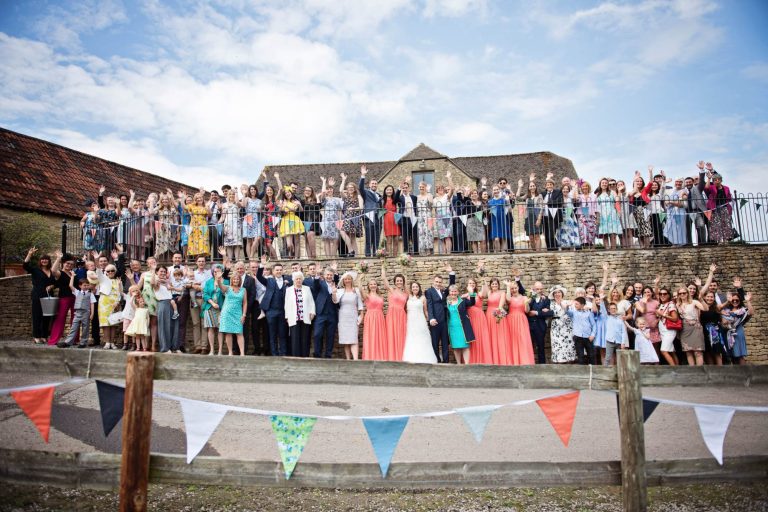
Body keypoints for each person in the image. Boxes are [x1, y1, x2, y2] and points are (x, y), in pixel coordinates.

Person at [306, 263, 340, 358]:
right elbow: (315, 285)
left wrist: (335, 270)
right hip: (320, 313)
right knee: (317, 334)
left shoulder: (336, 284)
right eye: (327, 275)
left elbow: (337, 279)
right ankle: (317, 354)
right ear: (324, 276)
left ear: (332, 276)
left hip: (332, 314)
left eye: (330, 275)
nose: (329, 276)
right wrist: (317, 274)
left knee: (330, 336)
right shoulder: (320, 283)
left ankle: (328, 354)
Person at [257, 256, 289, 356]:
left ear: (282, 271)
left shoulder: (288, 280)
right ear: (273, 271)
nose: (279, 271)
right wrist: (262, 265)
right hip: (271, 311)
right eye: (277, 270)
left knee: (283, 334)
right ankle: (274, 354)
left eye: (280, 270)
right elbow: (259, 277)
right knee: (272, 334)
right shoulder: (269, 281)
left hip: (283, 312)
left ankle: (283, 353)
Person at [425, 264, 456, 363]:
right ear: (433, 282)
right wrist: (431, 318)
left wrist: (451, 273)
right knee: (435, 343)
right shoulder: (429, 291)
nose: (438, 283)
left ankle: (446, 361)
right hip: (435, 321)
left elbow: (451, 286)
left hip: (444, 321)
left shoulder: (443, 292)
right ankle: (437, 361)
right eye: (436, 282)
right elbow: (429, 305)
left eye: (440, 282)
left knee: (445, 342)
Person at [23, 247, 55, 344]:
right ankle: (36, 336)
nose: (44, 261)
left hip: (49, 296)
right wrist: (29, 254)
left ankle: (44, 336)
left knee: (47, 317)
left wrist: (52, 285)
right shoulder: (35, 270)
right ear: (40, 261)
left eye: (46, 259)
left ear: (49, 261)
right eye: (42, 259)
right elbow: (25, 266)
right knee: (37, 316)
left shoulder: (51, 271)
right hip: (37, 294)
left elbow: (55, 282)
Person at [56, 273, 95, 349]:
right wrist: (73, 276)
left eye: (87, 285)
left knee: (85, 328)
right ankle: (68, 342)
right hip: (77, 313)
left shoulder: (90, 294)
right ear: (80, 286)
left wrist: (92, 313)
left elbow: (92, 303)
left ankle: (83, 342)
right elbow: (70, 285)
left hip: (86, 312)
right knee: (74, 327)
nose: (86, 286)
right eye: (84, 285)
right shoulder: (77, 292)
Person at [402, 282, 437, 364]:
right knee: (411, 339)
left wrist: (431, 319)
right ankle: (411, 358)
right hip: (410, 322)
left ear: (419, 287)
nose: (415, 288)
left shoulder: (423, 298)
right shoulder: (408, 296)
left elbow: (425, 311)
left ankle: (424, 359)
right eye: (413, 287)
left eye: (416, 286)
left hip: (420, 322)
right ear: (411, 288)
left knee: (421, 339)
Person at [504, 278, 536, 365]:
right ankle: (513, 361)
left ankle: (524, 361)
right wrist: (508, 286)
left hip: (522, 320)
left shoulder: (524, 297)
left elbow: (527, 311)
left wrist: (526, 303)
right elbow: (508, 300)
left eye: (515, 288)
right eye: (512, 288)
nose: (514, 290)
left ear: (518, 288)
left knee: (522, 340)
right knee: (512, 340)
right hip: (511, 320)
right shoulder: (509, 297)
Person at [47, 252, 76, 345]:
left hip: (75, 298)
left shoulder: (73, 273)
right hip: (64, 298)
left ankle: (74, 340)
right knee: (60, 318)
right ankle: (54, 340)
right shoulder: (60, 273)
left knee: (75, 319)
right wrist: (58, 258)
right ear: (63, 263)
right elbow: (53, 270)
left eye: (71, 264)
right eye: (67, 263)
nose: (69, 265)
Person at [284, 271, 316, 357]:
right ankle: (296, 357)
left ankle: (305, 356)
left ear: (302, 280)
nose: (298, 280)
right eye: (296, 279)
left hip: (305, 317)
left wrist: (312, 312)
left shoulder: (307, 289)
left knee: (305, 338)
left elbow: (311, 302)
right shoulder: (289, 290)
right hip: (293, 317)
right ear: (293, 280)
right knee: (295, 338)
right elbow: (286, 304)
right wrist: (287, 317)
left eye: (300, 279)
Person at [217, 271, 248, 356]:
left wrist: (244, 315)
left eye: (237, 279)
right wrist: (219, 279)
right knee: (228, 332)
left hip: (238, 313)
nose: (236, 280)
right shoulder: (227, 288)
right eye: (234, 279)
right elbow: (220, 286)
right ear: (231, 280)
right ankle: (230, 352)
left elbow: (245, 303)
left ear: (240, 280)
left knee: (239, 332)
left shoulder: (243, 290)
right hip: (227, 313)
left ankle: (242, 353)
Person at [335, 271, 364, 360]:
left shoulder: (356, 291)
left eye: (349, 279)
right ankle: (348, 360)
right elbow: (335, 301)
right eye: (346, 279)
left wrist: (361, 315)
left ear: (352, 280)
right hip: (343, 317)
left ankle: (355, 360)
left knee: (354, 339)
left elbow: (360, 304)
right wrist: (333, 293)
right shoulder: (340, 291)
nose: (347, 281)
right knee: (346, 340)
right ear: (343, 281)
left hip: (353, 316)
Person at [381, 266, 408, 361]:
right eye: (397, 281)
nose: (399, 282)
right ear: (395, 282)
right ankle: (392, 357)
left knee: (402, 336)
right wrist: (383, 264)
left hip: (402, 316)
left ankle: (402, 357)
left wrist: (405, 270)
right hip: (392, 315)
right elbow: (384, 279)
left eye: (401, 281)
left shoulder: (406, 293)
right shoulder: (391, 290)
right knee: (391, 335)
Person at [445, 283, 476, 364]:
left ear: (458, 292)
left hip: (462, 327)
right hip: (452, 328)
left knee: (465, 347)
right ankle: (458, 364)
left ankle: (466, 365)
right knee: (456, 347)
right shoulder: (447, 302)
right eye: (451, 291)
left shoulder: (463, 301)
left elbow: (472, 303)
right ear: (449, 292)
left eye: (455, 291)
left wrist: (471, 293)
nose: (453, 293)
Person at [464, 274, 492, 364]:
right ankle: (471, 360)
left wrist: (484, 282)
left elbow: (485, 293)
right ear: (467, 285)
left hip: (479, 318)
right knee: (471, 338)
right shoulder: (464, 295)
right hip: (469, 318)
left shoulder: (478, 294)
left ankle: (482, 360)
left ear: (475, 285)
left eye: (473, 283)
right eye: (470, 283)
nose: (471, 284)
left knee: (479, 337)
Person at [676, 285, 706, 366]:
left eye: (684, 293)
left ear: (687, 293)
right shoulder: (677, 305)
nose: (682, 294)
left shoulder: (694, 302)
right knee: (688, 351)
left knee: (698, 351)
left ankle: (700, 371)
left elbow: (705, 309)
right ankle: (692, 371)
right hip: (684, 329)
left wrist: (701, 299)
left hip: (695, 328)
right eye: (680, 293)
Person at [152, 266, 179, 353]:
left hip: (171, 303)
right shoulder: (156, 283)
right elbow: (152, 283)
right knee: (164, 326)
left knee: (173, 326)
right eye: (161, 271)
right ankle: (165, 348)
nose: (163, 273)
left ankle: (173, 347)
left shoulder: (167, 282)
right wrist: (153, 270)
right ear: (157, 272)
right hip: (163, 304)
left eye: (164, 271)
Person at [721, 293, 753, 365]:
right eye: (733, 300)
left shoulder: (742, 310)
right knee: (732, 355)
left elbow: (751, 312)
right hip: (728, 333)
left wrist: (748, 301)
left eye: (737, 300)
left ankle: (744, 373)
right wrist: (726, 323)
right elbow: (723, 322)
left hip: (738, 333)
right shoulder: (726, 310)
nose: (735, 301)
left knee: (740, 354)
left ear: (740, 300)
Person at [703, 168, 733, 243]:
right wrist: (709, 178)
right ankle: (719, 240)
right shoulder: (712, 187)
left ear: (721, 180)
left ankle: (726, 240)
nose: (717, 181)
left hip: (724, 207)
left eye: (718, 179)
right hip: (714, 208)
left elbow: (729, 197)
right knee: (716, 225)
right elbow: (706, 187)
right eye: (715, 180)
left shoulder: (726, 188)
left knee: (726, 223)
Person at [97, 263, 123, 350]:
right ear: (106, 272)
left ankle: (112, 342)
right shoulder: (103, 279)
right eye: (108, 271)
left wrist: (118, 302)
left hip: (115, 304)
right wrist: (97, 259)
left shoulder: (118, 280)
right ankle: (107, 342)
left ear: (115, 272)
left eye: (112, 270)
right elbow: (98, 272)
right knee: (105, 324)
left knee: (114, 323)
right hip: (104, 303)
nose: (110, 272)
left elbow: (121, 293)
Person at [318, 176, 345, 258]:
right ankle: (328, 258)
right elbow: (322, 193)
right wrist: (324, 182)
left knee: (335, 240)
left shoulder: (337, 199)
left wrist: (341, 221)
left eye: (331, 189)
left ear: (333, 190)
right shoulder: (325, 199)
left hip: (335, 221)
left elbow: (340, 210)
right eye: (328, 189)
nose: (329, 190)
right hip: (326, 221)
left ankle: (333, 257)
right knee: (327, 240)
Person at [526, 281, 553, 364]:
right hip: (529, 325)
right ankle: (528, 363)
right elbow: (526, 309)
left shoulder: (546, 299)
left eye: (541, 289)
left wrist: (536, 312)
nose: (539, 290)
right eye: (537, 289)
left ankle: (542, 366)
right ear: (534, 289)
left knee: (541, 347)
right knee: (528, 346)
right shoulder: (530, 298)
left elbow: (550, 313)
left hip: (540, 326)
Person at [361, 277, 387, 361]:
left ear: (377, 286)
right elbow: (361, 289)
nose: (373, 285)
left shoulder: (381, 296)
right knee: (371, 336)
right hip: (370, 318)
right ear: (368, 286)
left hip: (380, 317)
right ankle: (370, 356)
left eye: (374, 284)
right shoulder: (367, 296)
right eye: (371, 284)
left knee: (380, 337)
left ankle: (380, 357)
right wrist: (359, 279)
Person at [359, 165, 382, 257]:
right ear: (369, 185)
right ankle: (368, 255)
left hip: (378, 217)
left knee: (377, 237)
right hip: (368, 217)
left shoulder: (379, 195)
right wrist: (363, 175)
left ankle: (376, 254)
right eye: (372, 183)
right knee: (369, 237)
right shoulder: (366, 192)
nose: (374, 185)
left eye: (375, 184)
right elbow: (360, 187)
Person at [598, 293, 628, 366]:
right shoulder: (607, 318)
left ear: (616, 309)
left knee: (620, 358)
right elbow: (602, 309)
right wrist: (601, 300)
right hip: (610, 341)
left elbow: (623, 332)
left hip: (619, 341)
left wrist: (623, 342)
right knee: (608, 357)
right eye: (611, 309)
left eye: (614, 308)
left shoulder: (620, 319)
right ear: (609, 310)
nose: (613, 310)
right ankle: (605, 372)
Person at [548, 285, 575, 364]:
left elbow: (572, 314)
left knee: (568, 343)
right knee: (557, 344)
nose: (557, 294)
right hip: (556, 326)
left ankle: (569, 361)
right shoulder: (551, 304)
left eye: (559, 292)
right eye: (555, 293)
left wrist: (566, 306)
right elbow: (553, 313)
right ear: (553, 295)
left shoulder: (567, 302)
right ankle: (559, 362)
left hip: (567, 326)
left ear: (562, 293)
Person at [566, 296, 597, 365]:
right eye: (575, 304)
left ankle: (592, 371)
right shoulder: (574, 313)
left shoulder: (589, 313)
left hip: (588, 337)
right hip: (578, 337)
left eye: (577, 304)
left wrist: (593, 335)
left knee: (591, 355)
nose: (575, 305)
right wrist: (567, 306)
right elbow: (567, 312)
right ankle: (582, 372)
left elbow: (594, 325)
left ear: (582, 305)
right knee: (580, 356)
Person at [655, 286, 680, 366]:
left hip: (669, 330)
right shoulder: (661, 304)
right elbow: (656, 293)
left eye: (665, 294)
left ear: (669, 295)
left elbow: (675, 318)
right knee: (671, 351)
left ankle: (674, 369)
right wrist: (656, 284)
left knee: (663, 351)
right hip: (663, 330)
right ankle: (678, 367)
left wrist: (663, 315)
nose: (662, 295)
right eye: (661, 294)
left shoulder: (671, 304)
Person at [685, 162, 708, 245]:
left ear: (693, 182)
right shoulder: (683, 191)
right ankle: (689, 244)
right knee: (687, 229)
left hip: (697, 211)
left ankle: (702, 244)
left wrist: (702, 170)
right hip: (687, 212)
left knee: (701, 227)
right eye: (686, 182)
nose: (688, 183)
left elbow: (702, 183)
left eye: (689, 182)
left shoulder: (697, 188)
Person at [595, 178, 622, 250]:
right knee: (604, 234)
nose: (604, 184)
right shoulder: (597, 195)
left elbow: (617, 200)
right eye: (602, 183)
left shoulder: (612, 192)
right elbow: (596, 206)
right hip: (602, 215)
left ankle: (614, 249)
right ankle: (607, 250)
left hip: (612, 214)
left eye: (605, 183)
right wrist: (597, 217)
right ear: (600, 185)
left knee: (612, 233)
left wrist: (618, 193)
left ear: (608, 184)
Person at [278, 188, 305, 259]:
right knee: (289, 244)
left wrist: (286, 206)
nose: (287, 194)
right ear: (284, 195)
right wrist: (281, 208)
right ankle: (291, 252)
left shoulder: (295, 201)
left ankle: (296, 258)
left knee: (297, 242)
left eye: (288, 192)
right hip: (286, 220)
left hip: (294, 220)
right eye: (286, 193)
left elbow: (295, 210)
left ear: (291, 193)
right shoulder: (282, 201)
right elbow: (280, 212)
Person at [395, 177, 419, 255]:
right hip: (404, 219)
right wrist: (399, 188)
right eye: (403, 188)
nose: (405, 189)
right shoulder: (400, 198)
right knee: (405, 237)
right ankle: (406, 253)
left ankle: (416, 252)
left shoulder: (414, 197)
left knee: (414, 236)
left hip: (413, 218)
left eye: (406, 188)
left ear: (409, 189)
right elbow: (395, 199)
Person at [519, 180, 545, 251]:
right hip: (528, 218)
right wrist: (519, 187)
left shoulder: (539, 196)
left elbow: (542, 208)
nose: (532, 187)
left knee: (537, 235)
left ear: (536, 187)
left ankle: (538, 252)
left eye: (533, 186)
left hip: (536, 216)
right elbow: (517, 198)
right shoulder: (527, 196)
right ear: (529, 188)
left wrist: (539, 219)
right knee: (531, 237)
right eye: (531, 186)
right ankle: (534, 252)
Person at [663, 179, 688, 246]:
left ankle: (678, 244)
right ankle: (674, 243)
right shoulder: (673, 191)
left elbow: (681, 204)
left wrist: (670, 202)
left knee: (679, 229)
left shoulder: (684, 191)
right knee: (671, 228)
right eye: (677, 181)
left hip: (679, 212)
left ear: (682, 183)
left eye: (680, 182)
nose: (678, 183)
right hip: (672, 212)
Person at [541, 178, 564, 251]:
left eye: (550, 184)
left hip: (554, 217)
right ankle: (549, 249)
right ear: (545, 186)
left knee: (552, 233)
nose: (549, 186)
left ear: (553, 185)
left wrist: (548, 202)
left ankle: (555, 249)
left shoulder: (558, 192)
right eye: (547, 185)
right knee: (546, 234)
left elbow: (560, 201)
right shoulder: (543, 194)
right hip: (545, 216)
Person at [381, 185, 401, 257]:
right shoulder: (382, 200)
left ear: (393, 191)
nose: (389, 191)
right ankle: (388, 256)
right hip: (387, 221)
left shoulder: (395, 199)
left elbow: (398, 195)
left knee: (396, 240)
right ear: (385, 191)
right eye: (387, 190)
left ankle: (395, 256)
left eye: (390, 190)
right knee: (389, 240)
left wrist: (399, 188)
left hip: (395, 220)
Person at [120, 285, 141, 351]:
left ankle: (133, 345)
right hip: (126, 316)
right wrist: (120, 285)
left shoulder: (138, 299)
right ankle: (125, 344)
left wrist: (135, 297)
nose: (135, 292)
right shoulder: (128, 297)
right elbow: (121, 292)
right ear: (130, 292)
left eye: (136, 290)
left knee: (133, 332)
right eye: (133, 291)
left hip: (133, 317)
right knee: (125, 331)